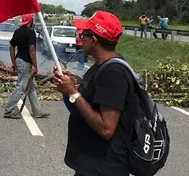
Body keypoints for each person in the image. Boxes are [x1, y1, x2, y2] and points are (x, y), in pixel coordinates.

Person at [53, 11, 136, 176]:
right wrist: (68, 90)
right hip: (90, 165)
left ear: (94, 40)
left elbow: (106, 128)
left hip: (103, 169)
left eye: (83, 34)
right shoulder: (100, 66)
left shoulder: (113, 73)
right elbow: (84, 109)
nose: (80, 38)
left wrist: (73, 93)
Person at [4, 14, 50, 119]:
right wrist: (35, 66)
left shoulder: (17, 31)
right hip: (25, 62)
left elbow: (11, 47)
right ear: (31, 21)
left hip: (19, 60)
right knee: (21, 86)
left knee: (31, 87)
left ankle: (37, 111)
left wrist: (13, 62)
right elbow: (32, 50)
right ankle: (9, 110)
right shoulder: (30, 32)